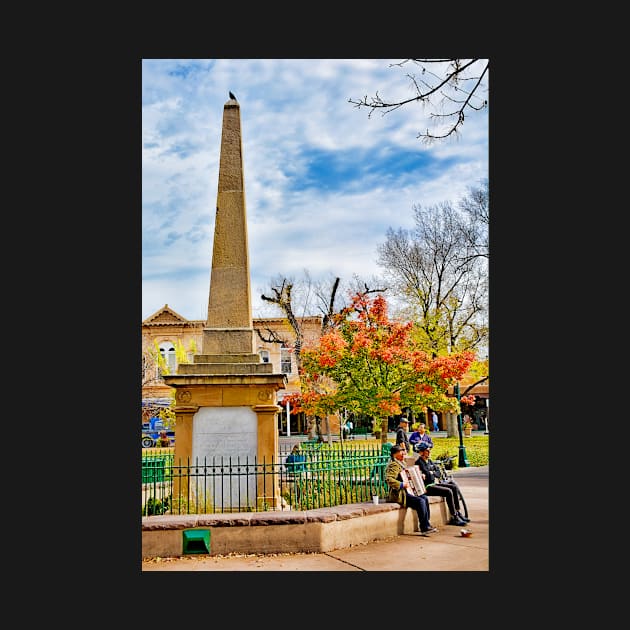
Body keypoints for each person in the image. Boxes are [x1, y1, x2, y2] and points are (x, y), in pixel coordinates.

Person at [385, 444, 438, 536]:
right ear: (395, 454)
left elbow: (408, 476)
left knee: (424, 498)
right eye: (400, 452)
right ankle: (424, 527)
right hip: (400, 494)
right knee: (420, 501)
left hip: (409, 492)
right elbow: (389, 479)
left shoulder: (402, 463)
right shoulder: (393, 465)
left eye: (403, 452)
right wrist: (401, 484)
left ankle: (427, 524)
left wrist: (420, 476)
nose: (403, 454)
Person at [415, 444, 469, 526]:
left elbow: (438, 473)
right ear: (421, 452)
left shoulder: (429, 461)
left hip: (434, 483)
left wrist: (432, 473)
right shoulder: (419, 463)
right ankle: (454, 517)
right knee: (448, 491)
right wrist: (431, 473)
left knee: (454, 487)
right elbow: (428, 477)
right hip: (427, 487)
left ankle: (457, 512)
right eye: (427, 450)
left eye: (429, 450)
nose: (429, 452)